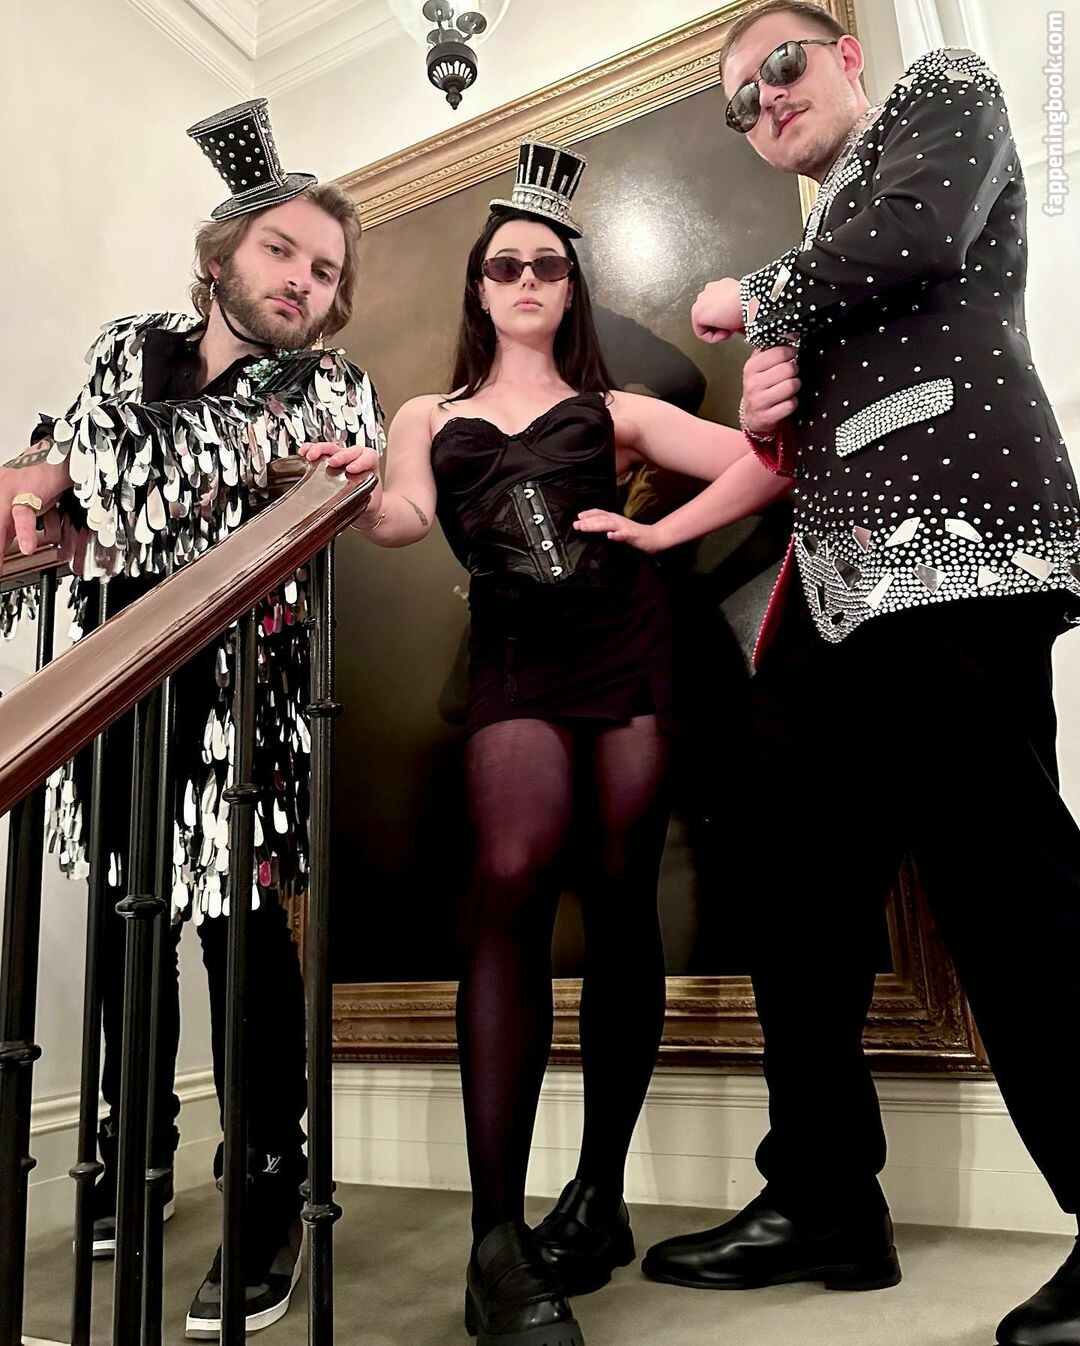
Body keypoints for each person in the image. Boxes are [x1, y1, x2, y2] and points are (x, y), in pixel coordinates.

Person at [630, 7, 1080, 1345]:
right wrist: (770, 410)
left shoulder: (944, 90)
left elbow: (924, 235)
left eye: (779, 66)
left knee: (1005, 882)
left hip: (951, 545)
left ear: (845, 59)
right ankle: (825, 1195)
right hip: (832, 592)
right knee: (788, 878)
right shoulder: (830, 238)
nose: (763, 100)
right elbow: (809, 420)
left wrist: (756, 297)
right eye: (738, 100)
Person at [302, 137, 789, 1346]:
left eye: (548, 267)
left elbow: (760, 464)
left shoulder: (616, 409)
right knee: (513, 870)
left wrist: (660, 536)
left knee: (622, 897)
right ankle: (495, 1238)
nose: (526, 281)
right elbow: (405, 517)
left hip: (629, 652)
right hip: (516, 662)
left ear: (571, 290)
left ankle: (600, 1192)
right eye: (506, 265)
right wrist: (358, 492)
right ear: (478, 287)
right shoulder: (426, 413)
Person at [0, 98, 382, 1338]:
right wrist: (56, 464)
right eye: (281, 250)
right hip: (115, 677)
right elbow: (92, 473)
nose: (305, 280)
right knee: (129, 924)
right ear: (219, 254)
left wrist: (81, 461)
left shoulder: (335, 386)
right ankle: (132, 1153)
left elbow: (135, 476)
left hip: (244, 696)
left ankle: (268, 1184)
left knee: (240, 938)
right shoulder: (127, 346)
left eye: (325, 269)